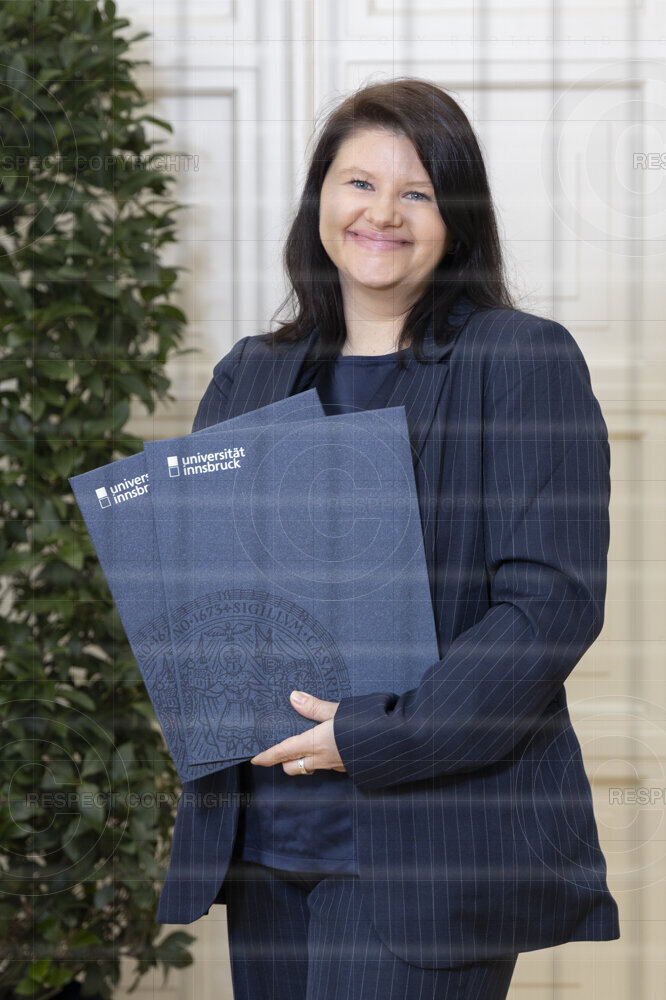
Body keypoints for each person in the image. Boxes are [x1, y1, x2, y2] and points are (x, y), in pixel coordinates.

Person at [156, 77, 620, 999]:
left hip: (427, 849)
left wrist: (373, 739)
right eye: (359, 184)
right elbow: (204, 585)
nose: (383, 214)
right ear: (320, 201)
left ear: (457, 219)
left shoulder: (519, 360)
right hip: (263, 836)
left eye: (418, 192)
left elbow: (548, 609)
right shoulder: (251, 372)